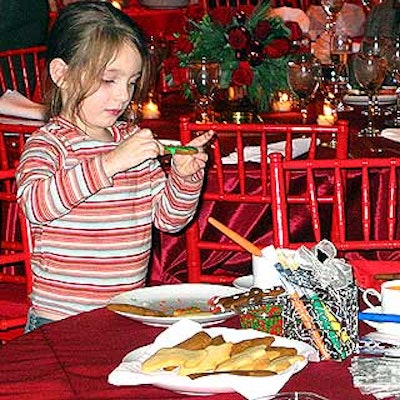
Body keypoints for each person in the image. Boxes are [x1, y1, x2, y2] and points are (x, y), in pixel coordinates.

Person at [16, 1, 214, 332]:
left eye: (131, 82)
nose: (123, 96)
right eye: (109, 80)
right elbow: (36, 205)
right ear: (61, 74)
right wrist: (109, 163)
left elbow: (169, 220)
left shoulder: (132, 140)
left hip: (125, 315)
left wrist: (184, 178)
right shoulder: (48, 144)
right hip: (60, 320)